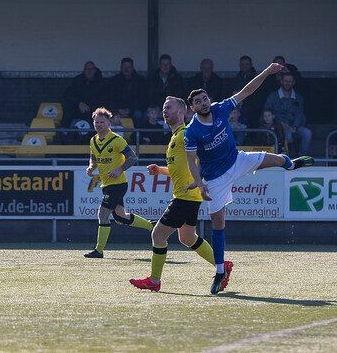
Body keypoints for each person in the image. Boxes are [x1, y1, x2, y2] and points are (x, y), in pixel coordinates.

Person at [185, 63, 315, 294]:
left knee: (275, 159)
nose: (203, 103)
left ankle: (292, 164)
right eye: (198, 101)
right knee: (218, 224)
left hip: (237, 160)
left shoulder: (221, 108)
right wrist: (201, 183)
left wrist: (267, 71)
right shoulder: (192, 131)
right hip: (216, 178)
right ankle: (219, 270)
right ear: (192, 108)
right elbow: (191, 159)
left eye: (205, 99)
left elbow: (246, 91)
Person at [129, 97, 217, 292]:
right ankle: (221, 265)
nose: (164, 111)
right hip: (189, 197)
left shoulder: (185, 134)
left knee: (158, 235)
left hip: (185, 197)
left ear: (181, 112)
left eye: (168, 107)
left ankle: (154, 281)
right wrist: (160, 170)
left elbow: (205, 157)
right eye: (163, 108)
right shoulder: (175, 137)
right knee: (187, 237)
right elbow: (181, 170)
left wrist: (200, 180)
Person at [84, 107, 154, 258]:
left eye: (102, 122)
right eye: (96, 122)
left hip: (118, 184)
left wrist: (119, 169)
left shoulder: (116, 140)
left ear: (109, 123)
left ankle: (99, 250)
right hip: (106, 184)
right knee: (121, 217)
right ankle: (151, 226)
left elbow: (133, 157)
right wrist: (91, 166)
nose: (99, 125)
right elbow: (94, 157)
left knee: (103, 214)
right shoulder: (93, 140)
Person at [263, 71, 311, 156]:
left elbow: (300, 114)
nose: (287, 83)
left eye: (290, 81)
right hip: (277, 126)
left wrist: (294, 127)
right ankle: (288, 159)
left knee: (307, 133)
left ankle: (302, 157)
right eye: (285, 81)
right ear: (281, 81)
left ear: (293, 82)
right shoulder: (272, 96)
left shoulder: (298, 97)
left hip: (295, 127)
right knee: (288, 136)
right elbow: (267, 112)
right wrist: (280, 124)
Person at [62, 61, 106, 128]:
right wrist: (79, 103)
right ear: (84, 70)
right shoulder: (77, 80)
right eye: (87, 69)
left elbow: (103, 99)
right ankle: (65, 132)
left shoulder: (101, 83)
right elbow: (68, 94)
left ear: (95, 70)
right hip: (78, 109)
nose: (89, 71)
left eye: (91, 69)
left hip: (94, 109)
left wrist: (89, 106)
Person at [107, 57, 147, 126]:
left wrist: (129, 110)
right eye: (124, 67)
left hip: (134, 110)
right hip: (117, 110)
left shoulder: (140, 81)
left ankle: (137, 136)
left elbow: (142, 99)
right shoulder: (114, 81)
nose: (126, 69)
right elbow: (110, 98)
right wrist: (118, 110)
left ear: (132, 68)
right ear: (121, 68)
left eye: (128, 67)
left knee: (138, 115)